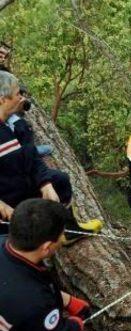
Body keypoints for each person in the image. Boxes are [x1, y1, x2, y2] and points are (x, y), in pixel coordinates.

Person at [0, 199, 131, 331]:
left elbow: (29, 279)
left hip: (14, 326)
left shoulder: (6, 246)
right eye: (61, 235)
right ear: (47, 247)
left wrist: (64, 298)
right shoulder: (32, 303)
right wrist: (74, 325)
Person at [0, 71, 102, 244]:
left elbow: (32, 158)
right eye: (17, 94)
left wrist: (45, 184)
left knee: (60, 180)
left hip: (21, 184)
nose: (21, 99)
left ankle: (68, 231)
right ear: (2, 99)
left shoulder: (17, 124)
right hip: (6, 198)